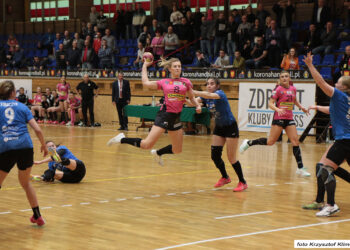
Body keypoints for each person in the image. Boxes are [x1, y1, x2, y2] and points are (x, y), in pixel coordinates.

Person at [107, 57, 202, 166]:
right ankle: (122, 139)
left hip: (176, 117)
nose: (177, 68)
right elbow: (146, 83)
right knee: (146, 145)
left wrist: (197, 105)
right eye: (175, 66)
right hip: (165, 115)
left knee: (177, 150)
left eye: (179, 66)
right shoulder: (164, 82)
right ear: (170, 69)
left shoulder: (186, 82)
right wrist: (144, 66)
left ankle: (158, 153)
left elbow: (192, 98)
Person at [301, 53, 350, 216]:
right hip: (346, 141)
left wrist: (310, 65)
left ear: (343, 87)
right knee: (323, 167)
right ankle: (321, 201)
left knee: (324, 169)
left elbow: (321, 82)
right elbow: (333, 110)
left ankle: (330, 205)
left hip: (343, 141)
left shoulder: (338, 94)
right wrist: (317, 107)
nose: (335, 84)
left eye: (337, 83)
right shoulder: (346, 99)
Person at [239, 70, 311, 177]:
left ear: (289, 78)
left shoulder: (293, 88)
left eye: (286, 76)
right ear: (280, 79)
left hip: (289, 118)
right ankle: (249, 143)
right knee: (270, 142)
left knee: (295, 141)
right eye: (282, 77)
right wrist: (278, 109)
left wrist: (302, 108)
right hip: (279, 118)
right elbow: (270, 103)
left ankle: (300, 168)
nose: (284, 78)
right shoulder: (277, 89)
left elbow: (294, 100)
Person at [0, 80, 48, 226]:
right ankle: (38, 216)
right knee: (25, 183)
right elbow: (38, 129)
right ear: (13, 93)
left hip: (7, 147)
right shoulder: (22, 106)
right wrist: (44, 146)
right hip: (25, 147)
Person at [192, 78, 248, 191]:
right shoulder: (205, 97)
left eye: (212, 83)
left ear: (217, 85)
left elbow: (209, 96)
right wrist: (179, 98)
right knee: (215, 156)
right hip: (219, 127)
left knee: (231, 158)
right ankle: (225, 177)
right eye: (207, 84)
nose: (209, 85)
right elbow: (193, 101)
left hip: (230, 126)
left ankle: (242, 181)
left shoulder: (220, 94)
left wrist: (192, 91)